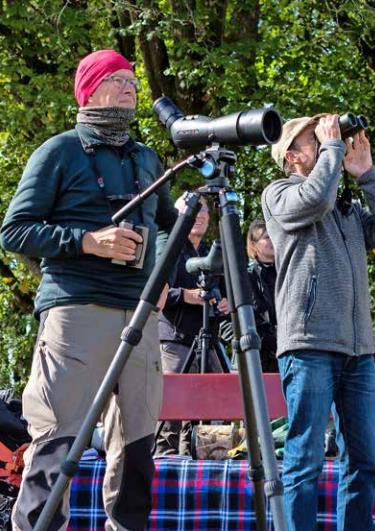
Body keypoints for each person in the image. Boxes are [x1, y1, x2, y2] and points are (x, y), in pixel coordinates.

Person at [0, 49, 177, 530]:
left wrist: (163, 276)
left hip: (140, 320)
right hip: (75, 313)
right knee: (56, 444)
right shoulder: (59, 152)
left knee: (138, 450)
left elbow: (173, 226)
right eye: (118, 80)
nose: (131, 88)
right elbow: (13, 231)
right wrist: (87, 241)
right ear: (91, 90)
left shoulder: (146, 158)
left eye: (134, 82)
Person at [262, 113, 375, 530]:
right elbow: (314, 201)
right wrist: (332, 153)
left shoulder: (346, 209)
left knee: (364, 461)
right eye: (317, 140)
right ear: (292, 157)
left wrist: (367, 175)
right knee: (305, 459)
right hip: (309, 346)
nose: (331, 142)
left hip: (357, 351)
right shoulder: (279, 195)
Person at [155, 195, 229, 457]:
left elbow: (222, 291)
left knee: (218, 397)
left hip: (207, 337)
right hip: (174, 338)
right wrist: (185, 295)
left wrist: (225, 304)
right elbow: (153, 292)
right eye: (193, 210)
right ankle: (164, 462)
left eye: (204, 211)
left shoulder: (211, 252)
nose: (199, 215)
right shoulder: (168, 247)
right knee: (172, 405)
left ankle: (202, 460)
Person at [246, 219, 278, 373]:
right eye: (266, 237)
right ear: (254, 244)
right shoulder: (247, 277)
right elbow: (253, 318)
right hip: (260, 357)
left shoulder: (287, 272)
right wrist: (275, 344)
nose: (273, 239)